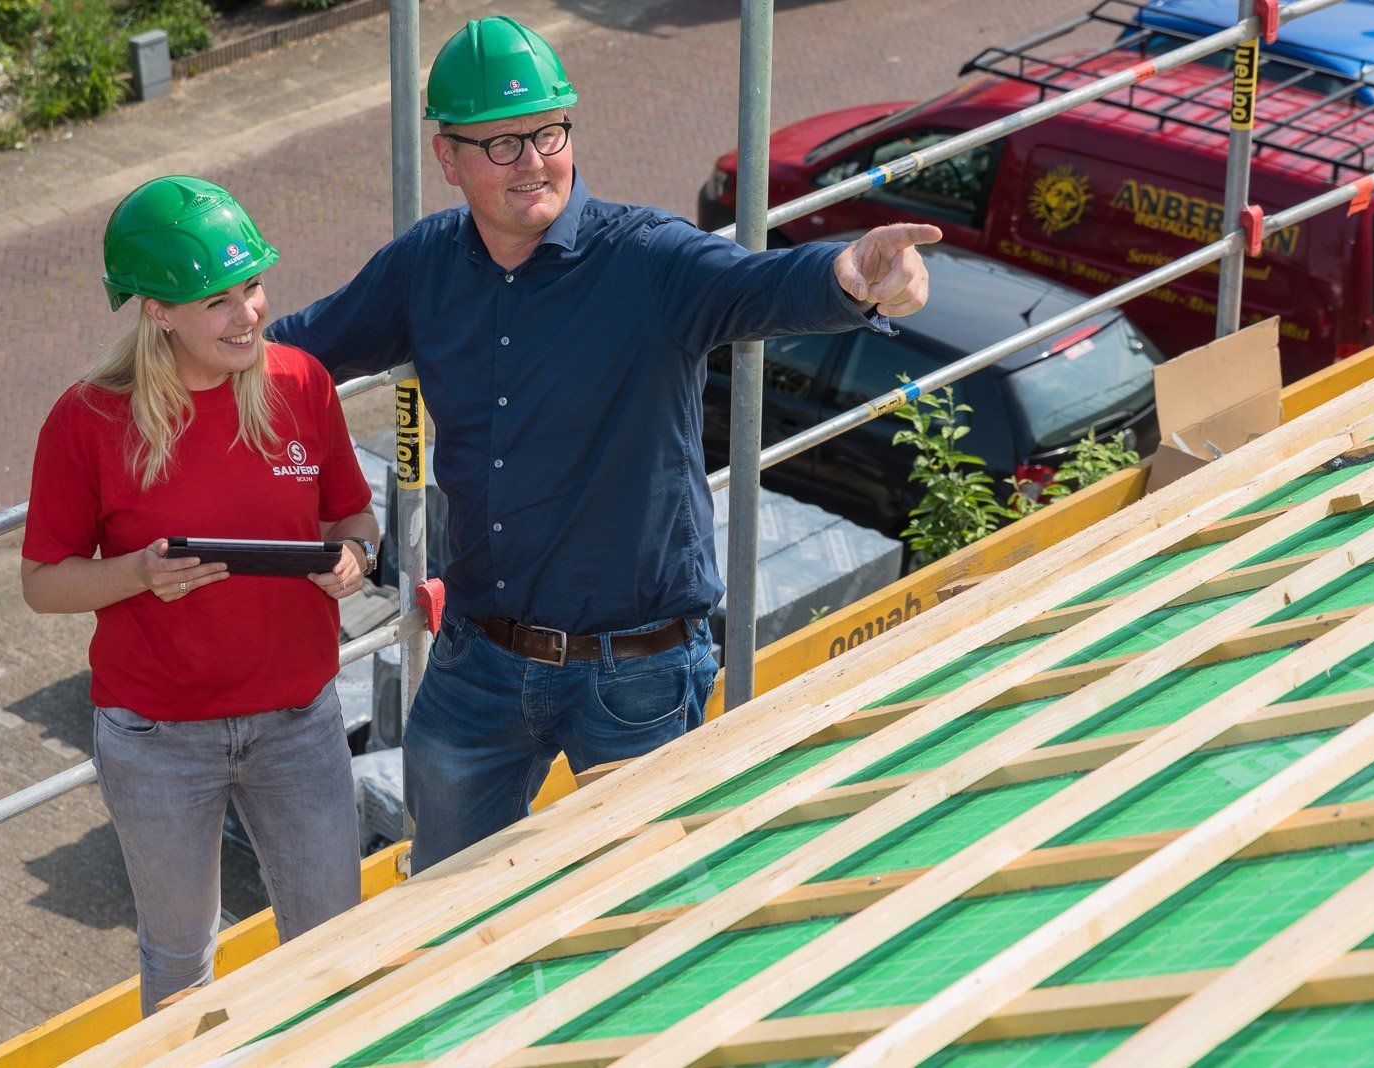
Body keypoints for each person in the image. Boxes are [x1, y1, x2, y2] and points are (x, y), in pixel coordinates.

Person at [266, 16, 940, 873]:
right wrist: (172, 367)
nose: (534, 161)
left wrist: (852, 279)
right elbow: (295, 354)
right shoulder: (426, 266)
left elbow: (758, 285)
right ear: (449, 159)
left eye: (549, 133)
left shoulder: (646, 261)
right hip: (479, 660)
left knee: (638, 910)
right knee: (442, 898)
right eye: (503, 144)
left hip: (639, 675)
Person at [20, 176, 381, 1015]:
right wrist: (137, 573)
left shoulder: (302, 384)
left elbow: (352, 514)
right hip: (158, 742)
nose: (249, 314)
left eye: (252, 286)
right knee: (180, 963)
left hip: (300, 724)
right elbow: (42, 583)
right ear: (157, 313)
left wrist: (355, 557)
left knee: (334, 946)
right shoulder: (87, 422)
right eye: (217, 300)